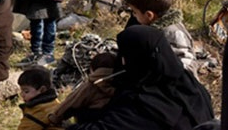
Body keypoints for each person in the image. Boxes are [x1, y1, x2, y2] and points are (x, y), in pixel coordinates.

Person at [66, 26, 214, 130]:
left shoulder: (147, 104)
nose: (121, 60)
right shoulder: (187, 82)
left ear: (138, 59)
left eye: (125, 55)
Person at [124, 0, 197, 75]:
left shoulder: (173, 33)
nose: (134, 16)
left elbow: (187, 67)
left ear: (149, 15)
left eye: (135, 12)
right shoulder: (150, 26)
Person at [48, 53, 116, 126]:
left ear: (92, 69)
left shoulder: (91, 86)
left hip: (89, 124)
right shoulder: (122, 84)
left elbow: (69, 104)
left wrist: (54, 118)